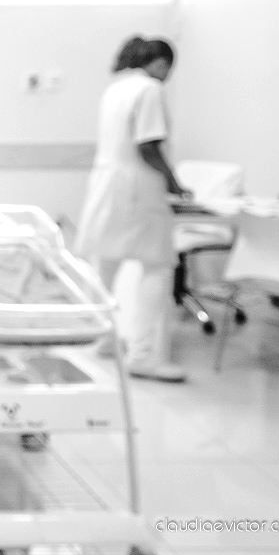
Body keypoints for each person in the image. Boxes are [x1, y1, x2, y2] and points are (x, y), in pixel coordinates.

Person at [74, 35, 190, 382]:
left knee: (106, 264)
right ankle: (142, 354)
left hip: (109, 186)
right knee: (158, 266)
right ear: (160, 63)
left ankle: (102, 339)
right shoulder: (150, 90)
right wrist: (173, 182)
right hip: (138, 190)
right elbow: (149, 146)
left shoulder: (116, 89)